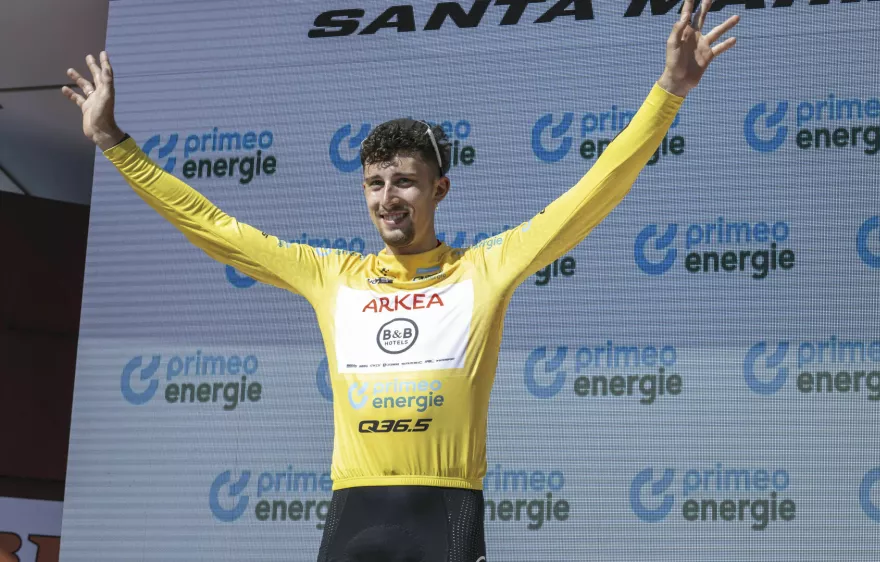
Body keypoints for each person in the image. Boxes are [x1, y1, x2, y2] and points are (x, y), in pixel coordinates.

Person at [63, 1, 738, 560]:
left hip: (445, 517)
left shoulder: (485, 267)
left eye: (406, 182)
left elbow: (593, 191)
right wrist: (115, 142)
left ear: (438, 189)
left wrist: (668, 94)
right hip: (354, 519)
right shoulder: (332, 276)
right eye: (375, 183)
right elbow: (212, 225)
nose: (389, 197)